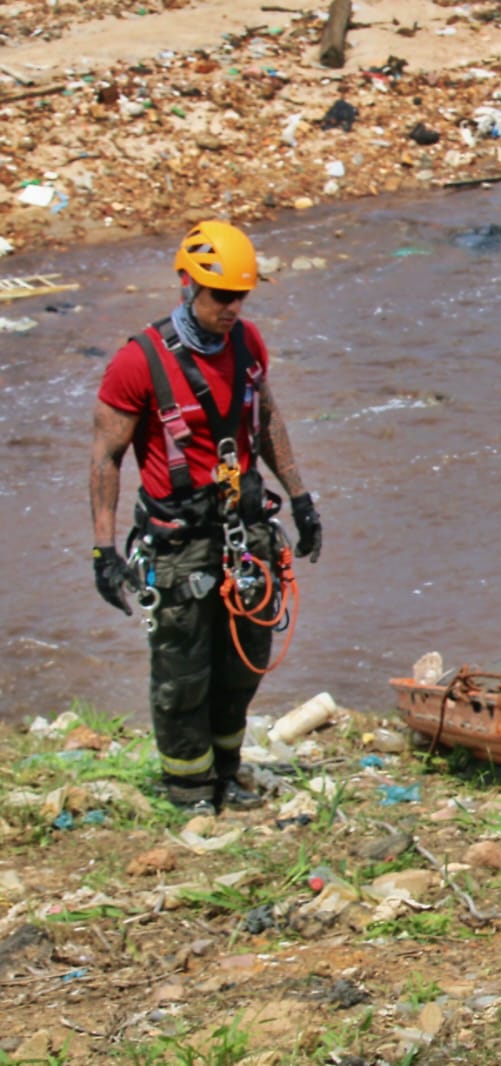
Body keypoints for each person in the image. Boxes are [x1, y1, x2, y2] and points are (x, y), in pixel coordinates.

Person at [89, 220, 322, 817]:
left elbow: (266, 420)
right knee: (183, 674)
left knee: (244, 660)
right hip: (179, 544)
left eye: (241, 296)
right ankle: (189, 789)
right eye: (221, 296)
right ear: (188, 285)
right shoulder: (138, 362)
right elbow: (107, 456)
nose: (231, 308)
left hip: (243, 533)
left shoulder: (247, 347)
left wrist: (300, 499)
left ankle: (226, 771)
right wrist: (104, 550)